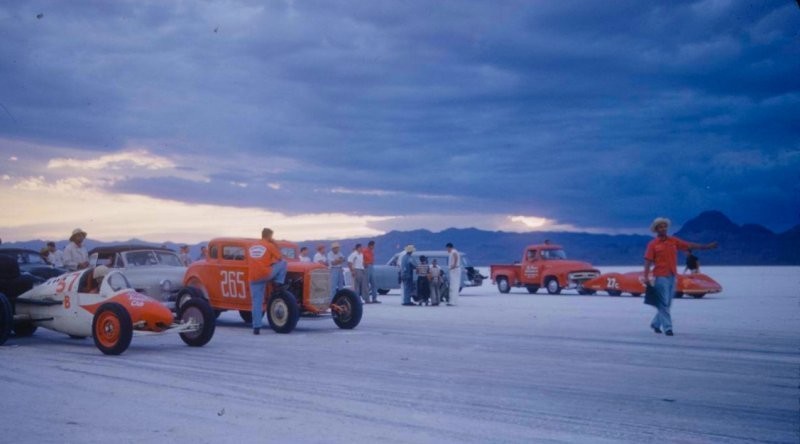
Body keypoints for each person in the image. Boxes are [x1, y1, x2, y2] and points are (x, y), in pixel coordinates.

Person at [644, 217, 717, 336]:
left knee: (667, 303)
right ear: (656, 229)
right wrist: (646, 276)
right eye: (661, 226)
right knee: (663, 302)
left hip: (672, 275)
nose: (663, 228)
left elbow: (689, 245)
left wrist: (706, 247)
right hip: (660, 276)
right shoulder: (653, 245)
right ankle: (668, 328)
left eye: (665, 226)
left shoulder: (673, 241)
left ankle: (656, 324)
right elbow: (648, 260)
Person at [249, 228, 287, 335]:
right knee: (283, 263)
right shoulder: (269, 245)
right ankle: (279, 283)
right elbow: (280, 257)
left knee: (256, 303)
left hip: (253, 277)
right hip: (265, 274)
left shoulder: (251, 246)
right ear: (269, 236)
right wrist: (274, 243)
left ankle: (256, 327)